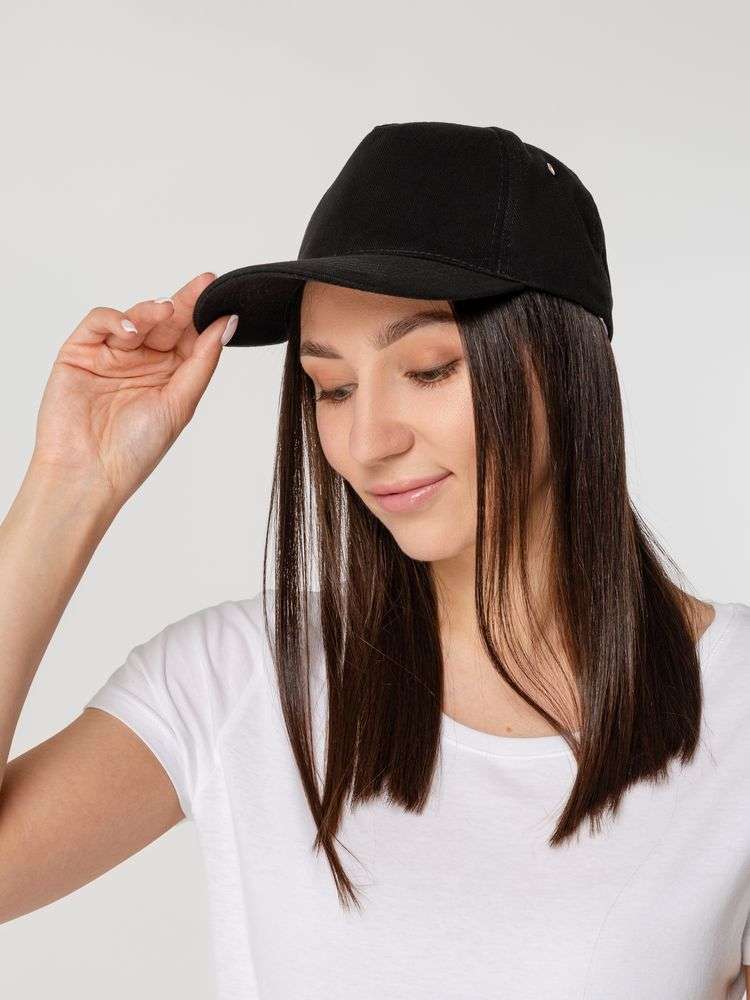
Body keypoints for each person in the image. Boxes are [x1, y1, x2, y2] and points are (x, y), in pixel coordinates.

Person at [1, 129, 749, 999]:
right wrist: (71, 483)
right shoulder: (241, 679)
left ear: (569, 365)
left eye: (428, 370)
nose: (367, 442)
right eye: (333, 388)